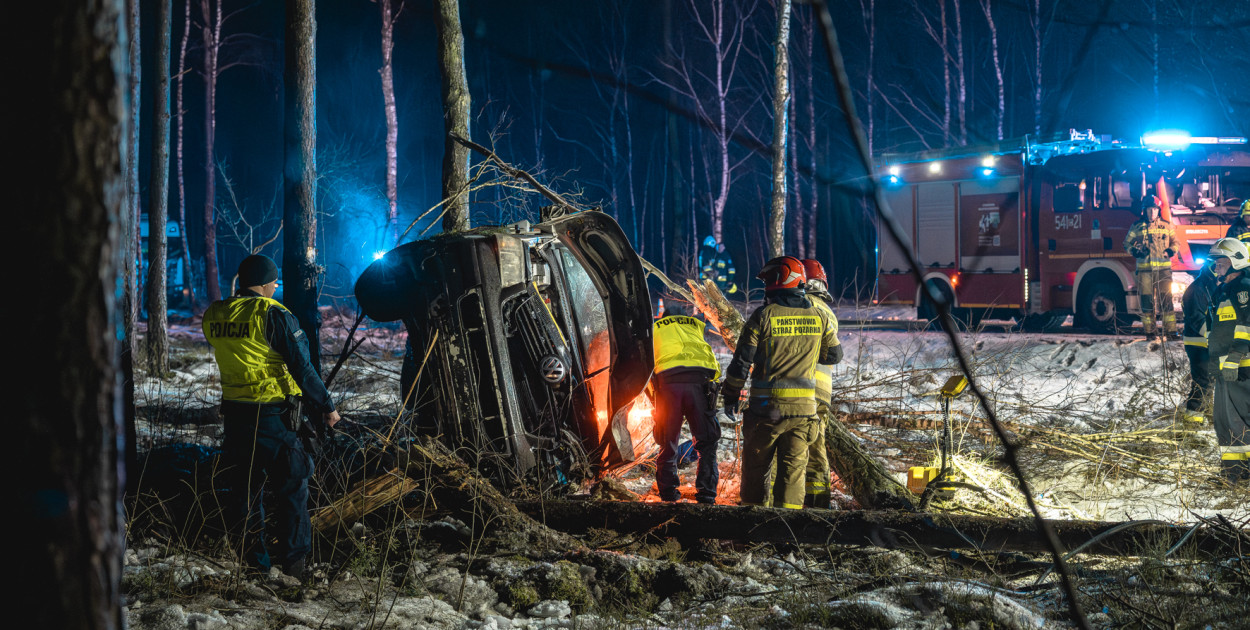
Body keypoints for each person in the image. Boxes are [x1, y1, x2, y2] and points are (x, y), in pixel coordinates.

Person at [203, 254, 341, 580]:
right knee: (293, 489)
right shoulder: (273, 314)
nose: (276, 288)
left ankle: (255, 567)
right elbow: (301, 367)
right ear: (265, 284)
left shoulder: (216, 314)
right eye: (274, 283)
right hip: (275, 418)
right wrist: (327, 407)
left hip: (236, 419)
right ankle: (295, 567)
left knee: (245, 495)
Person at [723, 256, 839, 509]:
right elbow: (834, 355)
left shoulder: (763, 316)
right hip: (804, 413)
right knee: (793, 474)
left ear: (776, 282)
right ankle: (786, 534)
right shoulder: (819, 316)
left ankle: (752, 528)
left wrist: (730, 395)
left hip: (766, 412)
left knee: (756, 469)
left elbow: (741, 362)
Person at [650, 301, 722, 503]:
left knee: (668, 443)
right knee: (707, 444)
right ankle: (707, 495)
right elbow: (714, 366)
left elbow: (647, 369)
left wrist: (653, 397)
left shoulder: (656, 329)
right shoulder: (695, 327)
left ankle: (669, 495)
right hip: (700, 384)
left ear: (664, 317)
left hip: (668, 386)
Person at [793, 259, 842, 508]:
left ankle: (798, 501)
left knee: (795, 447)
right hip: (822, 391)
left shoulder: (804, 305)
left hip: (803, 388)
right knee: (816, 446)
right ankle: (818, 501)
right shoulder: (827, 310)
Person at [1203, 238, 1250, 482]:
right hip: (1225, 368)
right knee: (1225, 422)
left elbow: (1247, 326)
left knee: (1240, 421)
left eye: (1219, 263)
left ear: (1234, 261)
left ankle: (1244, 476)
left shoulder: (1243, 287)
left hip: (1240, 367)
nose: (1216, 268)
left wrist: (1234, 358)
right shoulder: (1224, 291)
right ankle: (1233, 474)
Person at [1124, 202, 1178, 340]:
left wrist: (1170, 251)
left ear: (1158, 211)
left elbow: (1175, 242)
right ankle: (1150, 333)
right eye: (1149, 209)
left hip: (1163, 271)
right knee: (1147, 302)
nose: (1152, 212)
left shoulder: (1166, 225)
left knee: (1166, 301)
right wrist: (1135, 251)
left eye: (1154, 209)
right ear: (1144, 211)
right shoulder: (1136, 227)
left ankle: (1171, 333)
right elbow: (1126, 243)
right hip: (1145, 272)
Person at [1181, 258, 1218, 427]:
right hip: (1198, 344)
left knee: (1209, 381)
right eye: (1215, 266)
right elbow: (1197, 320)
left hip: (1206, 342)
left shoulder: (1211, 285)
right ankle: (1192, 422)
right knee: (1202, 382)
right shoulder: (1196, 289)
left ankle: (1206, 413)